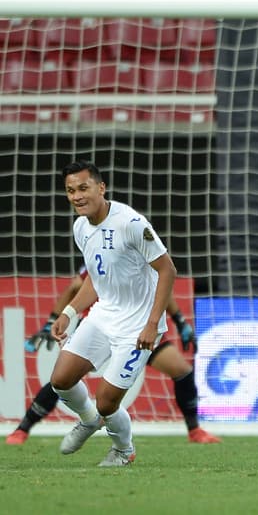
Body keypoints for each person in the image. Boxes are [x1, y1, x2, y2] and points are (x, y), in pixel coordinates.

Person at [49, 160, 177, 467]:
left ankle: (123, 450)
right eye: (70, 191)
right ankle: (88, 419)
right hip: (104, 314)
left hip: (137, 325)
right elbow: (97, 276)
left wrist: (150, 325)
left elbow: (167, 270)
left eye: (83, 188)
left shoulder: (130, 223)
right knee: (61, 380)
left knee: (107, 401)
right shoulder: (81, 227)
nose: (77, 196)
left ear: (100, 188)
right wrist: (69, 310)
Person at [9, 271, 220, 445]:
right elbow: (77, 285)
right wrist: (55, 320)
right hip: (102, 326)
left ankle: (194, 430)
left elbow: (162, 288)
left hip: (139, 328)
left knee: (181, 370)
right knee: (65, 378)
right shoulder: (106, 246)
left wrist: (180, 320)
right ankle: (23, 429)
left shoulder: (145, 251)